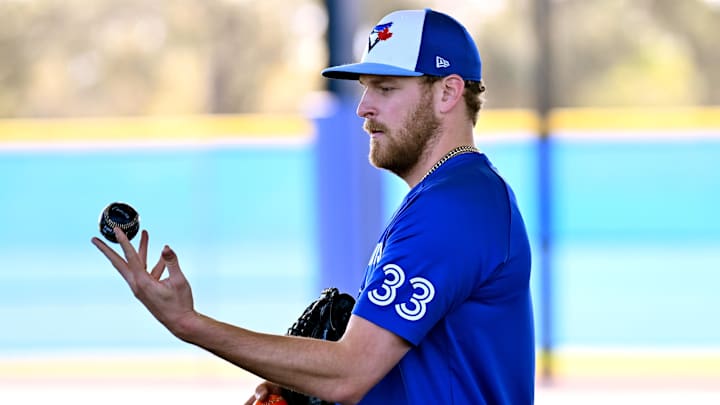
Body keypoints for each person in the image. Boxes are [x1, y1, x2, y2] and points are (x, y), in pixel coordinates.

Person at [92, 8, 535, 405]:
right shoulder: (450, 196)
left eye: (384, 87)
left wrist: (189, 323)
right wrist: (295, 377)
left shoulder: (453, 207)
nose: (363, 107)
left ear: (447, 92)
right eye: (365, 88)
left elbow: (350, 372)